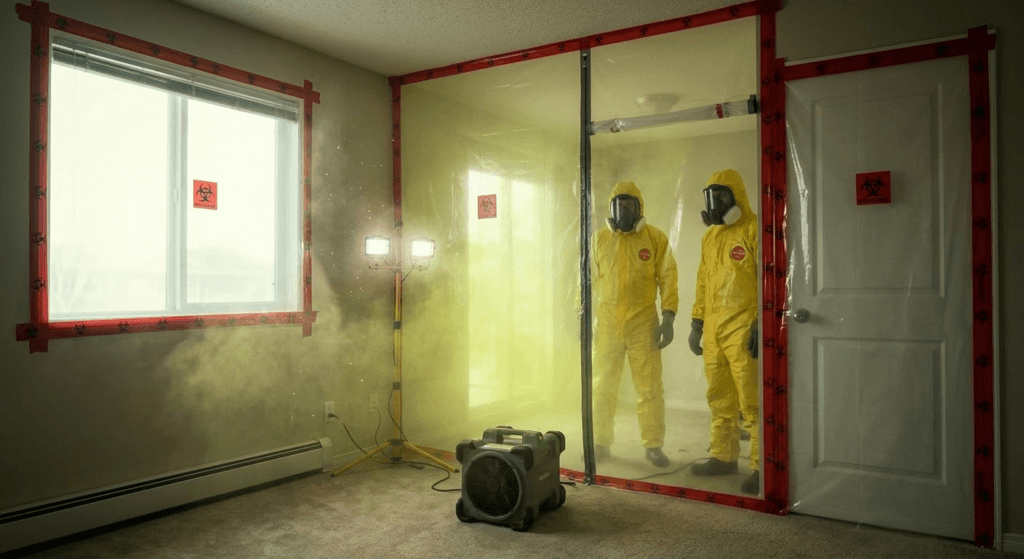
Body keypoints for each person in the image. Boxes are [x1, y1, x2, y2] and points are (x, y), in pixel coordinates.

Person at [593, 181, 679, 467]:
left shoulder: (655, 238)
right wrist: (579, 317)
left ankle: (653, 445)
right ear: (611, 208)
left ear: (640, 208)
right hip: (607, 321)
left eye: (630, 205)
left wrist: (668, 317)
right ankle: (600, 442)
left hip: (643, 321)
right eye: (619, 205)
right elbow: (585, 281)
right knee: (603, 385)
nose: (624, 211)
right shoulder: (599, 240)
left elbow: (668, 278)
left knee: (649, 387)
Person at [688, 169, 761, 495]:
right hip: (715, 328)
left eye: (722, 197)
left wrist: (762, 320)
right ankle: (724, 456)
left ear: (736, 197)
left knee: (752, 400)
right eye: (711, 197)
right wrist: (696, 323)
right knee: (719, 397)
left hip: (743, 325)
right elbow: (703, 282)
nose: (715, 203)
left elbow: (769, 278)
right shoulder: (710, 236)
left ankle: (762, 465)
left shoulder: (755, 229)